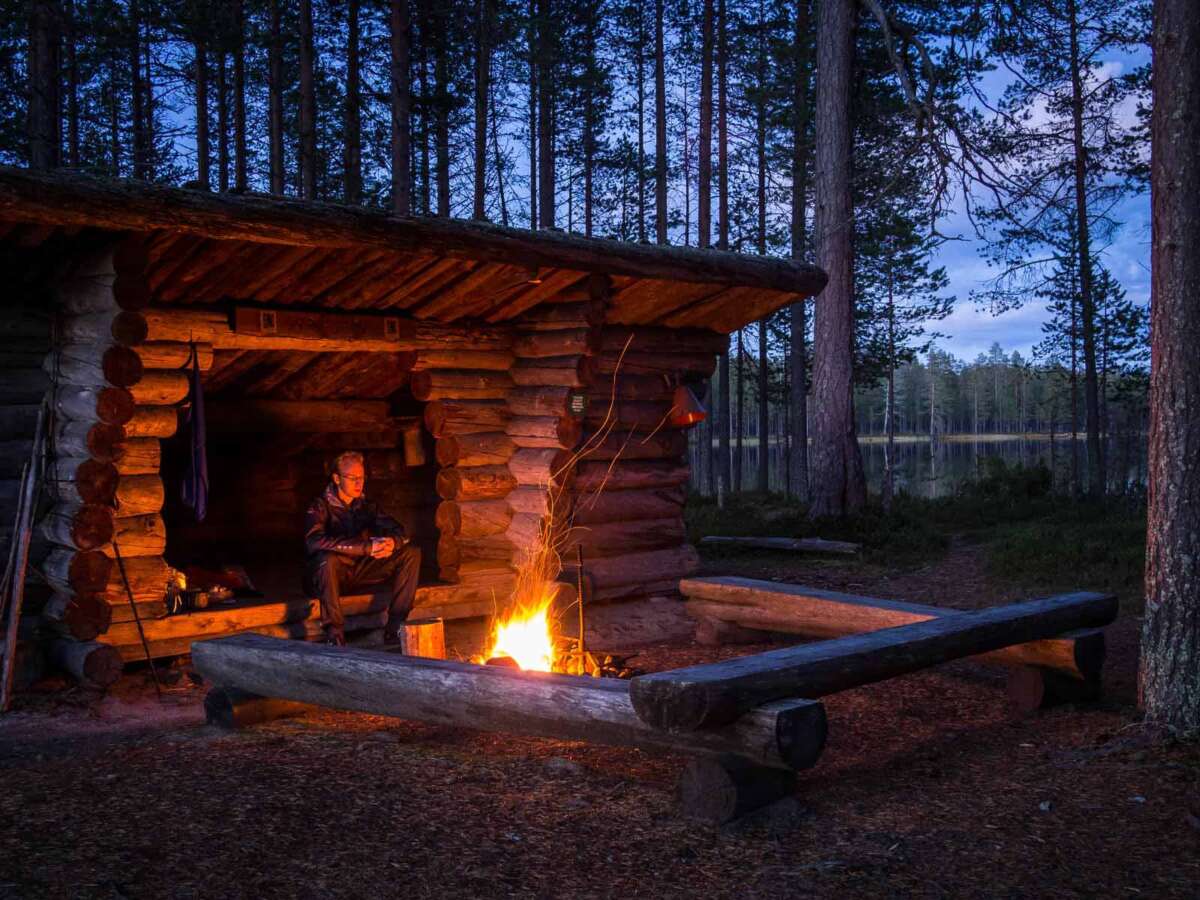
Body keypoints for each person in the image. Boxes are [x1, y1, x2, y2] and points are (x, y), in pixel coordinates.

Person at [303, 451, 421, 647]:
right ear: (336, 479)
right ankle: (335, 636)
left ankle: (395, 629)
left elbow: (399, 530)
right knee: (327, 559)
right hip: (326, 576)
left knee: (411, 553)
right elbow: (313, 542)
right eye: (352, 478)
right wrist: (367, 547)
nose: (359, 483)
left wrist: (393, 542)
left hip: (358, 572)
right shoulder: (319, 506)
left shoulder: (366, 506)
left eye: (362, 478)